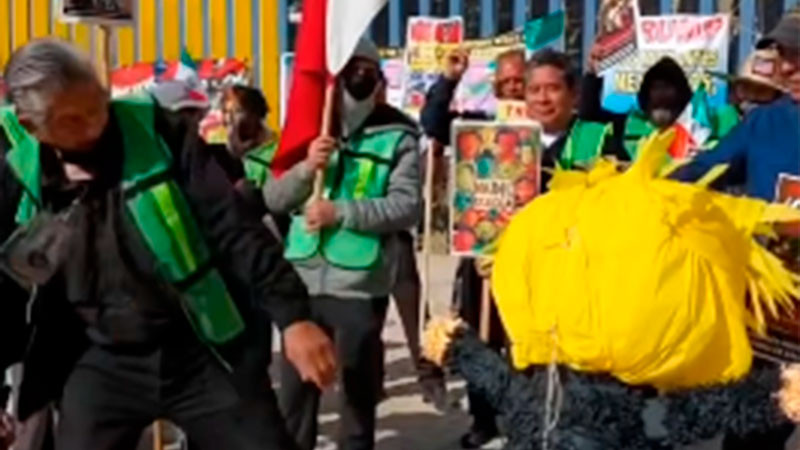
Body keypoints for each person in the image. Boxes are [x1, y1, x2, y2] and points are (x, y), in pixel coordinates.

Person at [0, 39, 336, 450]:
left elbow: (231, 226)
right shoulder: (16, 168)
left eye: (98, 104)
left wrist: (294, 316)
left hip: (196, 343)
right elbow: (4, 284)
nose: (95, 123)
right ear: (33, 125)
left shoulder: (160, 132)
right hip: (95, 356)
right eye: (74, 119)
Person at [264, 38, 421, 450]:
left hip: (359, 284)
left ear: (380, 80)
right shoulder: (304, 129)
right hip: (300, 283)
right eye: (348, 71)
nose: (357, 82)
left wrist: (342, 212)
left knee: (356, 398)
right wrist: (305, 169)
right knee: (295, 400)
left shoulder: (399, 135)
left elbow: (407, 207)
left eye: (367, 73)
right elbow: (273, 198)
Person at [672, 11, 800, 450]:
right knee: (752, 437)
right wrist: (642, 185)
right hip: (777, 320)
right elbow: (704, 171)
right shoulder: (766, 122)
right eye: (784, 54)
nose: (787, 67)